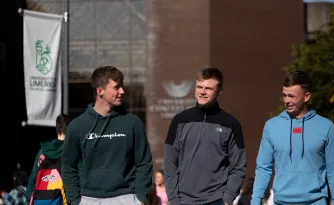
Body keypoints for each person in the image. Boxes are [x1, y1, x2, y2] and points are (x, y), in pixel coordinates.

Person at [62, 66, 153, 205]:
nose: (122, 91)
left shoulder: (132, 123)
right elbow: (69, 166)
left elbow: (144, 162)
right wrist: (75, 201)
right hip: (89, 199)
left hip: (126, 197)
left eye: (122, 86)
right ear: (100, 91)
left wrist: (140, 197)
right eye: (116, 87)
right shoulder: (77, 126)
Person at [251, 71, 334, 205]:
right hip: (281, 202)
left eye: (292, 96)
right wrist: (255, 201)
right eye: (284, 95)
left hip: (316, 202)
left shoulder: (326, 127)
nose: (287, 101)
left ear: (306, 97)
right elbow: (263, 168)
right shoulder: (271, 126)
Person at [164, 67, 246, 205]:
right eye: (199, 87)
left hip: (217, 200)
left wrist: (228, 198)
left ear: (219, 91)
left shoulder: (231, 124)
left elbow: (238, 166)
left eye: (208, 88)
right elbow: (170, 162)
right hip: (183, 200)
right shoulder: (179, 120)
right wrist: (173, 198)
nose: (202, 92)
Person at [25, 114, 71, 203]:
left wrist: (28, 197)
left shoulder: (42, 151)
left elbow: (33, 176)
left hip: (39, 200)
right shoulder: (70, 151)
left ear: (57, 129)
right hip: (61, 200)